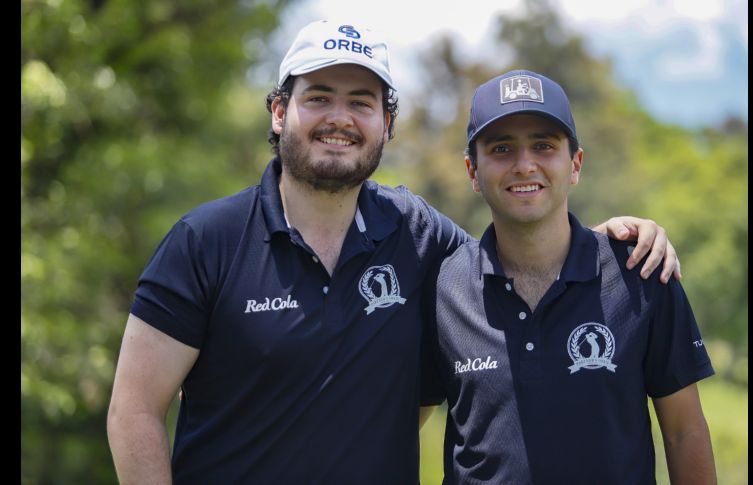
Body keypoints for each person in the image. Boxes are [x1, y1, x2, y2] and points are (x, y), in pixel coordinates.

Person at [106, 20, 680, 484]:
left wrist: (608, 239)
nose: (340, 117)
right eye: (319, 97)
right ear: (280, 112)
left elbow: (521, 247)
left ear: (387, 123)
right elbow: (133, 410)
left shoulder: (418, 233)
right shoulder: (205, 241)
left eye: (362, 101)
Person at [420, 69, 717, 484]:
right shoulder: (442, 288)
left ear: (575, 164)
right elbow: (403, 426)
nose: (525, 165)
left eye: (543, 146)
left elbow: (685, 433)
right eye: (502, 148)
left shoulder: (642, 272)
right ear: (472, 171)